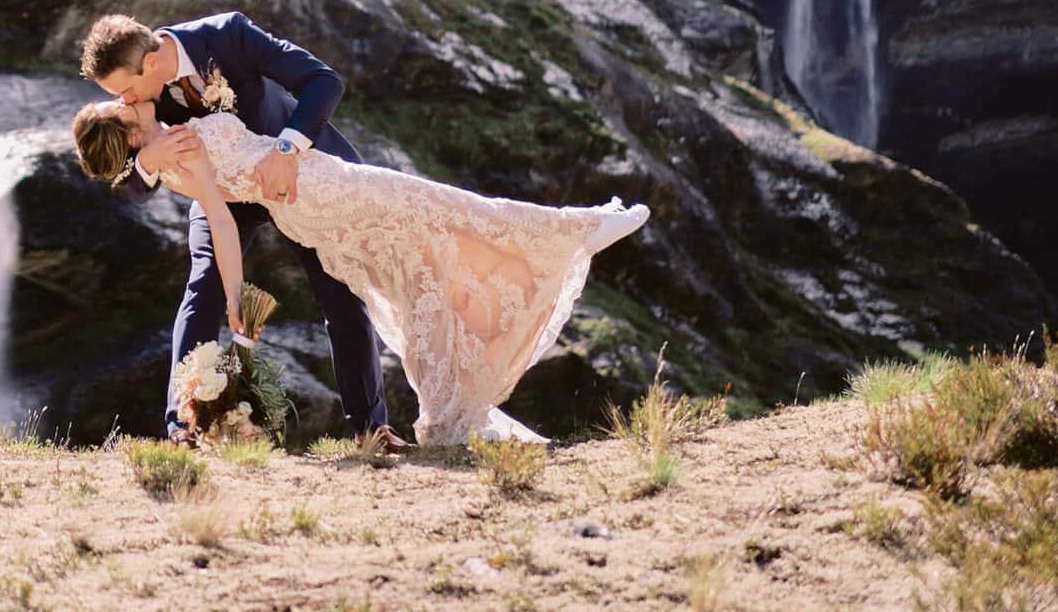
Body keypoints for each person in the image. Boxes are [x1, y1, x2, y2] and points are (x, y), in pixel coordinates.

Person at [72, 87, 648, 446]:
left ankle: (450, 411)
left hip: (313, 197)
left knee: (417, 268)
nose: (123, 95)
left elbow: (206, 198)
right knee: (445, 210)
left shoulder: (165, 157)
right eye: (117, 104)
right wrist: (234, 297)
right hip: (322, 192)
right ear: (128, 131)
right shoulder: (176, 149)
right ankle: (576, 231)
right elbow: (221, 221)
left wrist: (147, 163)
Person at [79, 10, 399, 448]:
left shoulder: (228, 36)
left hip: (295, 175)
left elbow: (324, 81)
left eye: (126, 90)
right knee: (203, 286)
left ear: (150, 62)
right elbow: (122, 170)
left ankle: (371, 428)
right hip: (220, 191)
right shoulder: (138, 107)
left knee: (340, 290)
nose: (125, 101)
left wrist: (285, 152)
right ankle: (182, 426)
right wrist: (149, 162)